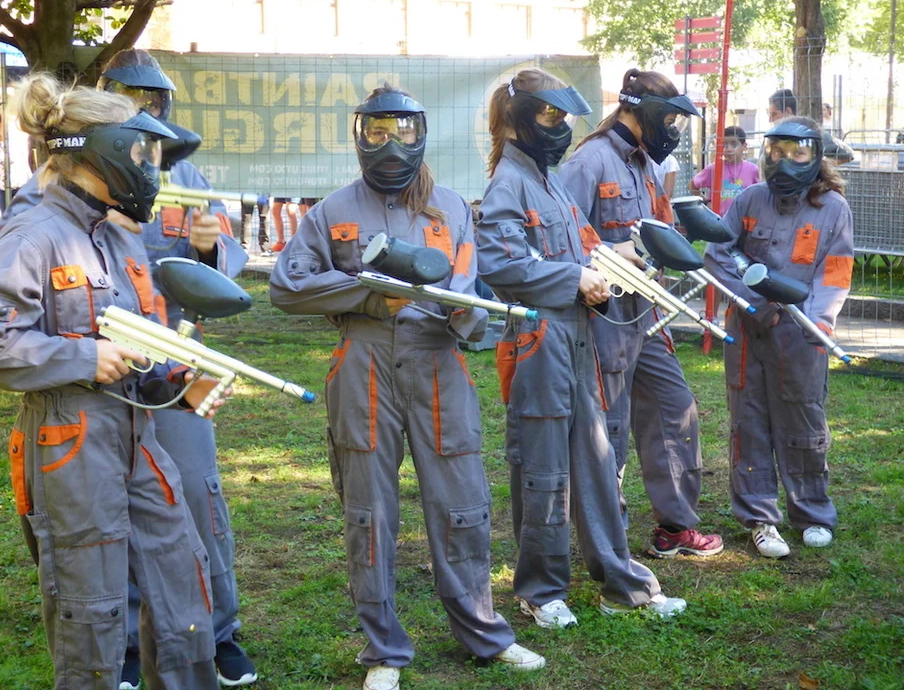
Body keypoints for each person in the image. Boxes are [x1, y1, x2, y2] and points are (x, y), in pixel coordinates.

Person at [0, 72, 230, 689]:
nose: (148, 167)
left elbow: (139, 345)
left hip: (138, 436)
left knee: (181, 585)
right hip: (69, 443)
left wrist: (179, 384)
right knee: (91, 608)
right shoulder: (36, 235)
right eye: (138, 152)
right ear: (100, 152)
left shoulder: (113, 234)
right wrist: (81, 359)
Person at [270, 84, 545, 690]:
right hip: (363, 361)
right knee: (368, 510)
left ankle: (483, 633)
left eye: (402, 130)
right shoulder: (332, 211)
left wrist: (462, 311)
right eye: (376, 131)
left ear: (421, 134)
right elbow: (287, 287)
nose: (390, 144)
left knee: (462, 502)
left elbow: (468, 288)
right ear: (359, 136)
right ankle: (384, 651)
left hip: (438, 362)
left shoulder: (451, 208)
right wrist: (370, 294)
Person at [477, 67, 686, 629]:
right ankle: (540, 591)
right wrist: (573, 279)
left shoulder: (547, 181)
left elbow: (584, 244)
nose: (561, 126)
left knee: (595, 462)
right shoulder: (509, 183)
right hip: (537, 342)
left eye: (564, 116)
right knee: (542, 468)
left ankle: (621, 583)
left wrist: (620, 257)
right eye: (550, 115)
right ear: (519, 119)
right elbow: (498, 262)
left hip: (577, 340)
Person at [558, 69, 725, 560]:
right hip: (603, 316)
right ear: (642, 112)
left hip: (645, 315)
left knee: (675, 408)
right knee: (606, 427)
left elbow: (657, 229)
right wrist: (611, 253)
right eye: (670, 119)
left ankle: (675, 527)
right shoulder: (589, 161)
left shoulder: (646, 165)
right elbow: (558, 240)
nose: (673, 130)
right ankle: (609, 543)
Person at [703, 118, 853, 558]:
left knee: (803, 419)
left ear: (815, 156)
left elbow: (835, 270)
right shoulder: (749, 199)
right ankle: (760, 519)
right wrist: (754, 302)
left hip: (802, 331)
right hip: (748, 327)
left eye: (797, 153)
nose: (785, 162)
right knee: (748, 420)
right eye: (777, 152)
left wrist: (820, 321)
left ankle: (811, 513)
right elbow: (718, 253)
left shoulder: (832, 208)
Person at [689, 125, 760, 216]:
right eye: (724, 145)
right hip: (719, 220)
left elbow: (761, 193)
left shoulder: (753, 170)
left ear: (744, 146)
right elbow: (692, 185)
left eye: (734, 145)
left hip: (743, 220)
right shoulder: (713, 168)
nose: (728, 149)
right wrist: (706, 202)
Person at [769, 89, 852, 165]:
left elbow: (846, 155)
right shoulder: (773, 137)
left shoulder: (809, 131)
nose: (770, 120)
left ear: (788, 111)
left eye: (774, 114)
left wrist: (818, 167)